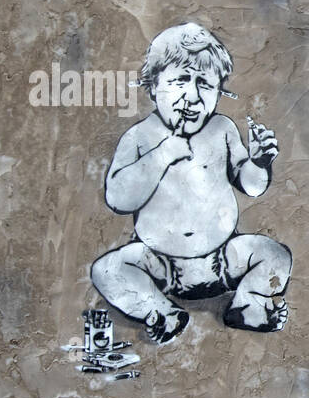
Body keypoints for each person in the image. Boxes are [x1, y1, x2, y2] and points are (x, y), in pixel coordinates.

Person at [91, 23, 291, 344]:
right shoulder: (141, 137)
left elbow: (252, 186)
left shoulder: (222, 130)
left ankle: (247, 304)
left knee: (275, 254)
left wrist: (260, 161)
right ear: (154, 87)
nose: (193, 96)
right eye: (181, 80)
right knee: (107, 270)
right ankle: (162, 311)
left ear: (218, 92)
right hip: (161, 264)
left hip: (223, 259)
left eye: (205, 84)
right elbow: (118, 198)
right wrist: (161, 155)